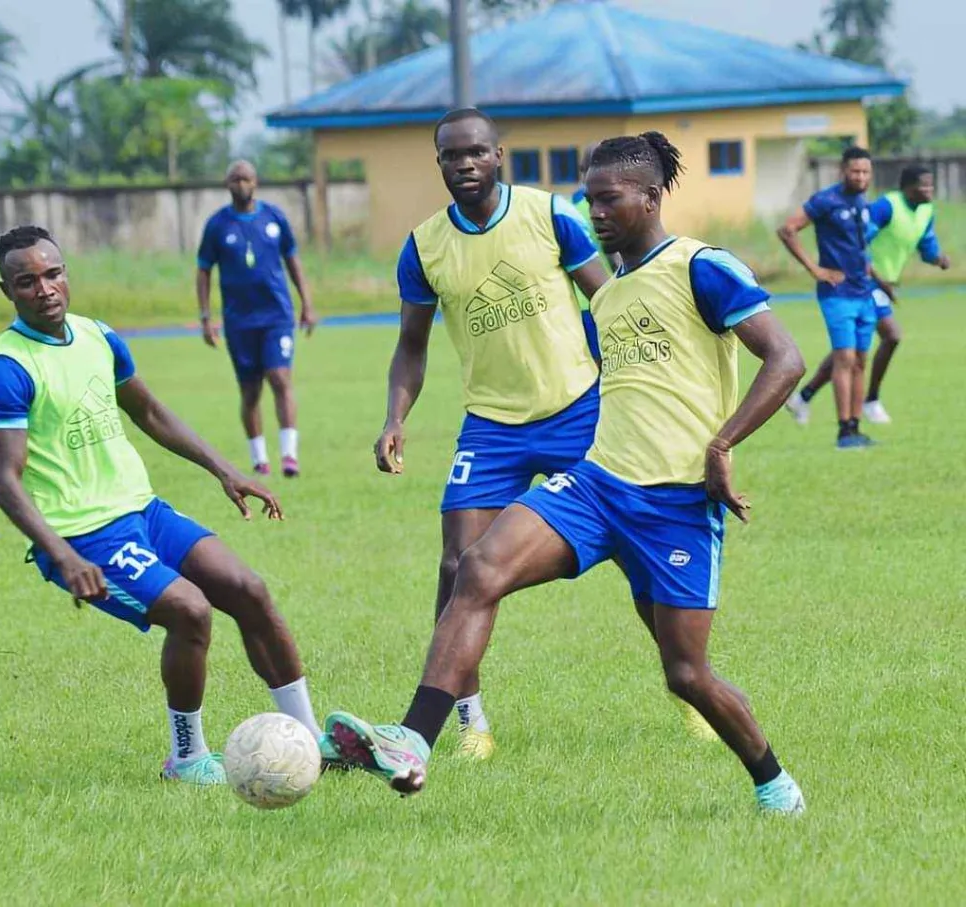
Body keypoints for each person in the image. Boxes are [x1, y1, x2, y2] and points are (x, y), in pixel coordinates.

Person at [326, 133, 808, 815]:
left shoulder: (704, 267)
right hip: (596, 485)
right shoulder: (606, 303)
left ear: (650, 196)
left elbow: (785, 359)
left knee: (687, 673)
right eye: (588, 198)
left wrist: (722, 443)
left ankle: (774, 782)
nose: (595, 210)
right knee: (476, 567)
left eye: (608, 199)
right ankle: (414, 739)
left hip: (673, 504)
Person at [0, 225, 334, 785]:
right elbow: (4, 480)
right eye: (27, 282)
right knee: (190, 611)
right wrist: (62, 555)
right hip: (84, 536)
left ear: (67, 274)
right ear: (8, 291)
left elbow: (151, 413)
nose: (45, 289)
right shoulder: (6, 367)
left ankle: (312, 741)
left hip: (144, 512)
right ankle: (187, 757)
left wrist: (225, 470)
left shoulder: (97, 336)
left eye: (53, 274)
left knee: (250, 591)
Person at [374, 107, 611, 760]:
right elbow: (411, 347)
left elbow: (612, 302)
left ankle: (687, 681)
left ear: (499, 154)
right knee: (457, 564)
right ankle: (469, 721)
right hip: (492, 426)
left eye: (476, 151)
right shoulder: (424, 248)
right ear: (440, 165)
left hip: (578, 410)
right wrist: (396, 417)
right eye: (452, 155)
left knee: (638, 545)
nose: (465, 163)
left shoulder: (550, 215)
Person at [787, 164, 952, 425]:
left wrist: (938, 258)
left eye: (931, 185)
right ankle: (871, 400)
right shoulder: (886, 206)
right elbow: (858, 243)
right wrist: (876, 278)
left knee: (847, 351)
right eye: (924, 185)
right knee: (891, 335)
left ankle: (804, 396)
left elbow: (926, 243)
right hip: (866, 281)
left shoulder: (926, 211)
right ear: (908, 187)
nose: (929, 190)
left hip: (882, 284)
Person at [196, 160, 318, 478]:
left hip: (277, 315)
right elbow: (204, 270)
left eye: (246, 178)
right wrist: (206, 316)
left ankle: (290, 456)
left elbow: (293, 261)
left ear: (256, 182)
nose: (241, 184)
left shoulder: (274, 217)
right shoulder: (217, 225)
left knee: (280, 378)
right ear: (226, 184)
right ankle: (259, 458)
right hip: (239, 321)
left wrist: (307, 303)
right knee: (250, 391)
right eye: (235, 179)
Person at [777, 146, 875, 448]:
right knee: (844, 357)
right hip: (837, 292)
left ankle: (855, 427)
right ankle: (843, 430)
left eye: (865, 172)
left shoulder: (862, 202)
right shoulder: (826, 200)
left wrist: (877, 279)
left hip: (863, 290)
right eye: (855, 171)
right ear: (842, 171)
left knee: (859, 359)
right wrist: (815, 269)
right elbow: (787, 230)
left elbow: (858, 247)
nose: (860, 177)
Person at [570, 141, 622, 359]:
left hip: (576, 304)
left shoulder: (569, 211)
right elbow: (616, 260)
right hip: (605, 299)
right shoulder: (606, 210)